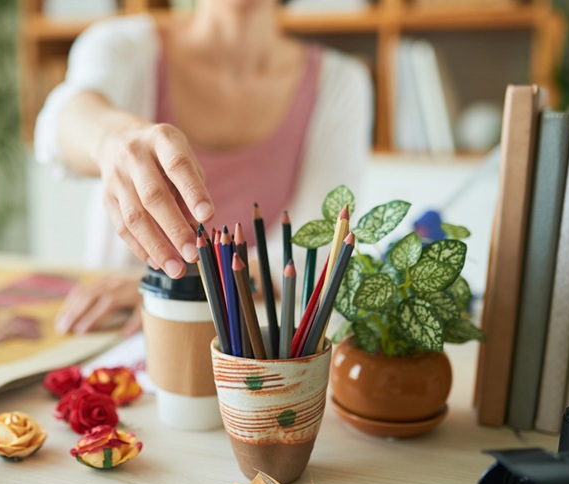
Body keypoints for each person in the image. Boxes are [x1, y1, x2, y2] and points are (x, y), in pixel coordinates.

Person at [34, 0, 373, 337]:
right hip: (119, 331)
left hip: (255, 341)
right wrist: (113, 140)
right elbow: (60, 123)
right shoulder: (122, 44)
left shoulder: (341, 82)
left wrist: (187, 289)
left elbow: (315, 250)